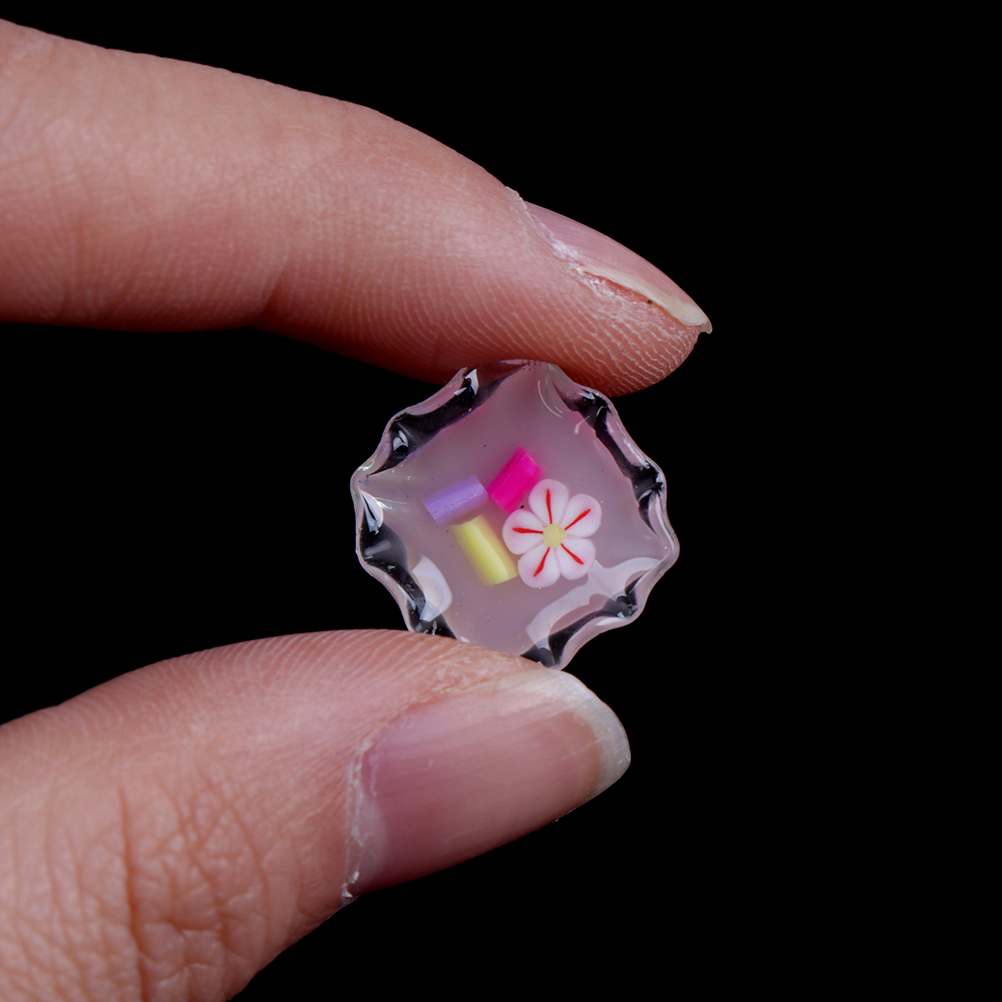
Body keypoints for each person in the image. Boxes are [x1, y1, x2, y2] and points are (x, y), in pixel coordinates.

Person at [0, 20, 710, 1001]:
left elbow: (507, 523)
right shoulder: (441, 490)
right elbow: (456, 506)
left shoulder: (562, 506)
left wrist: (495, 526)